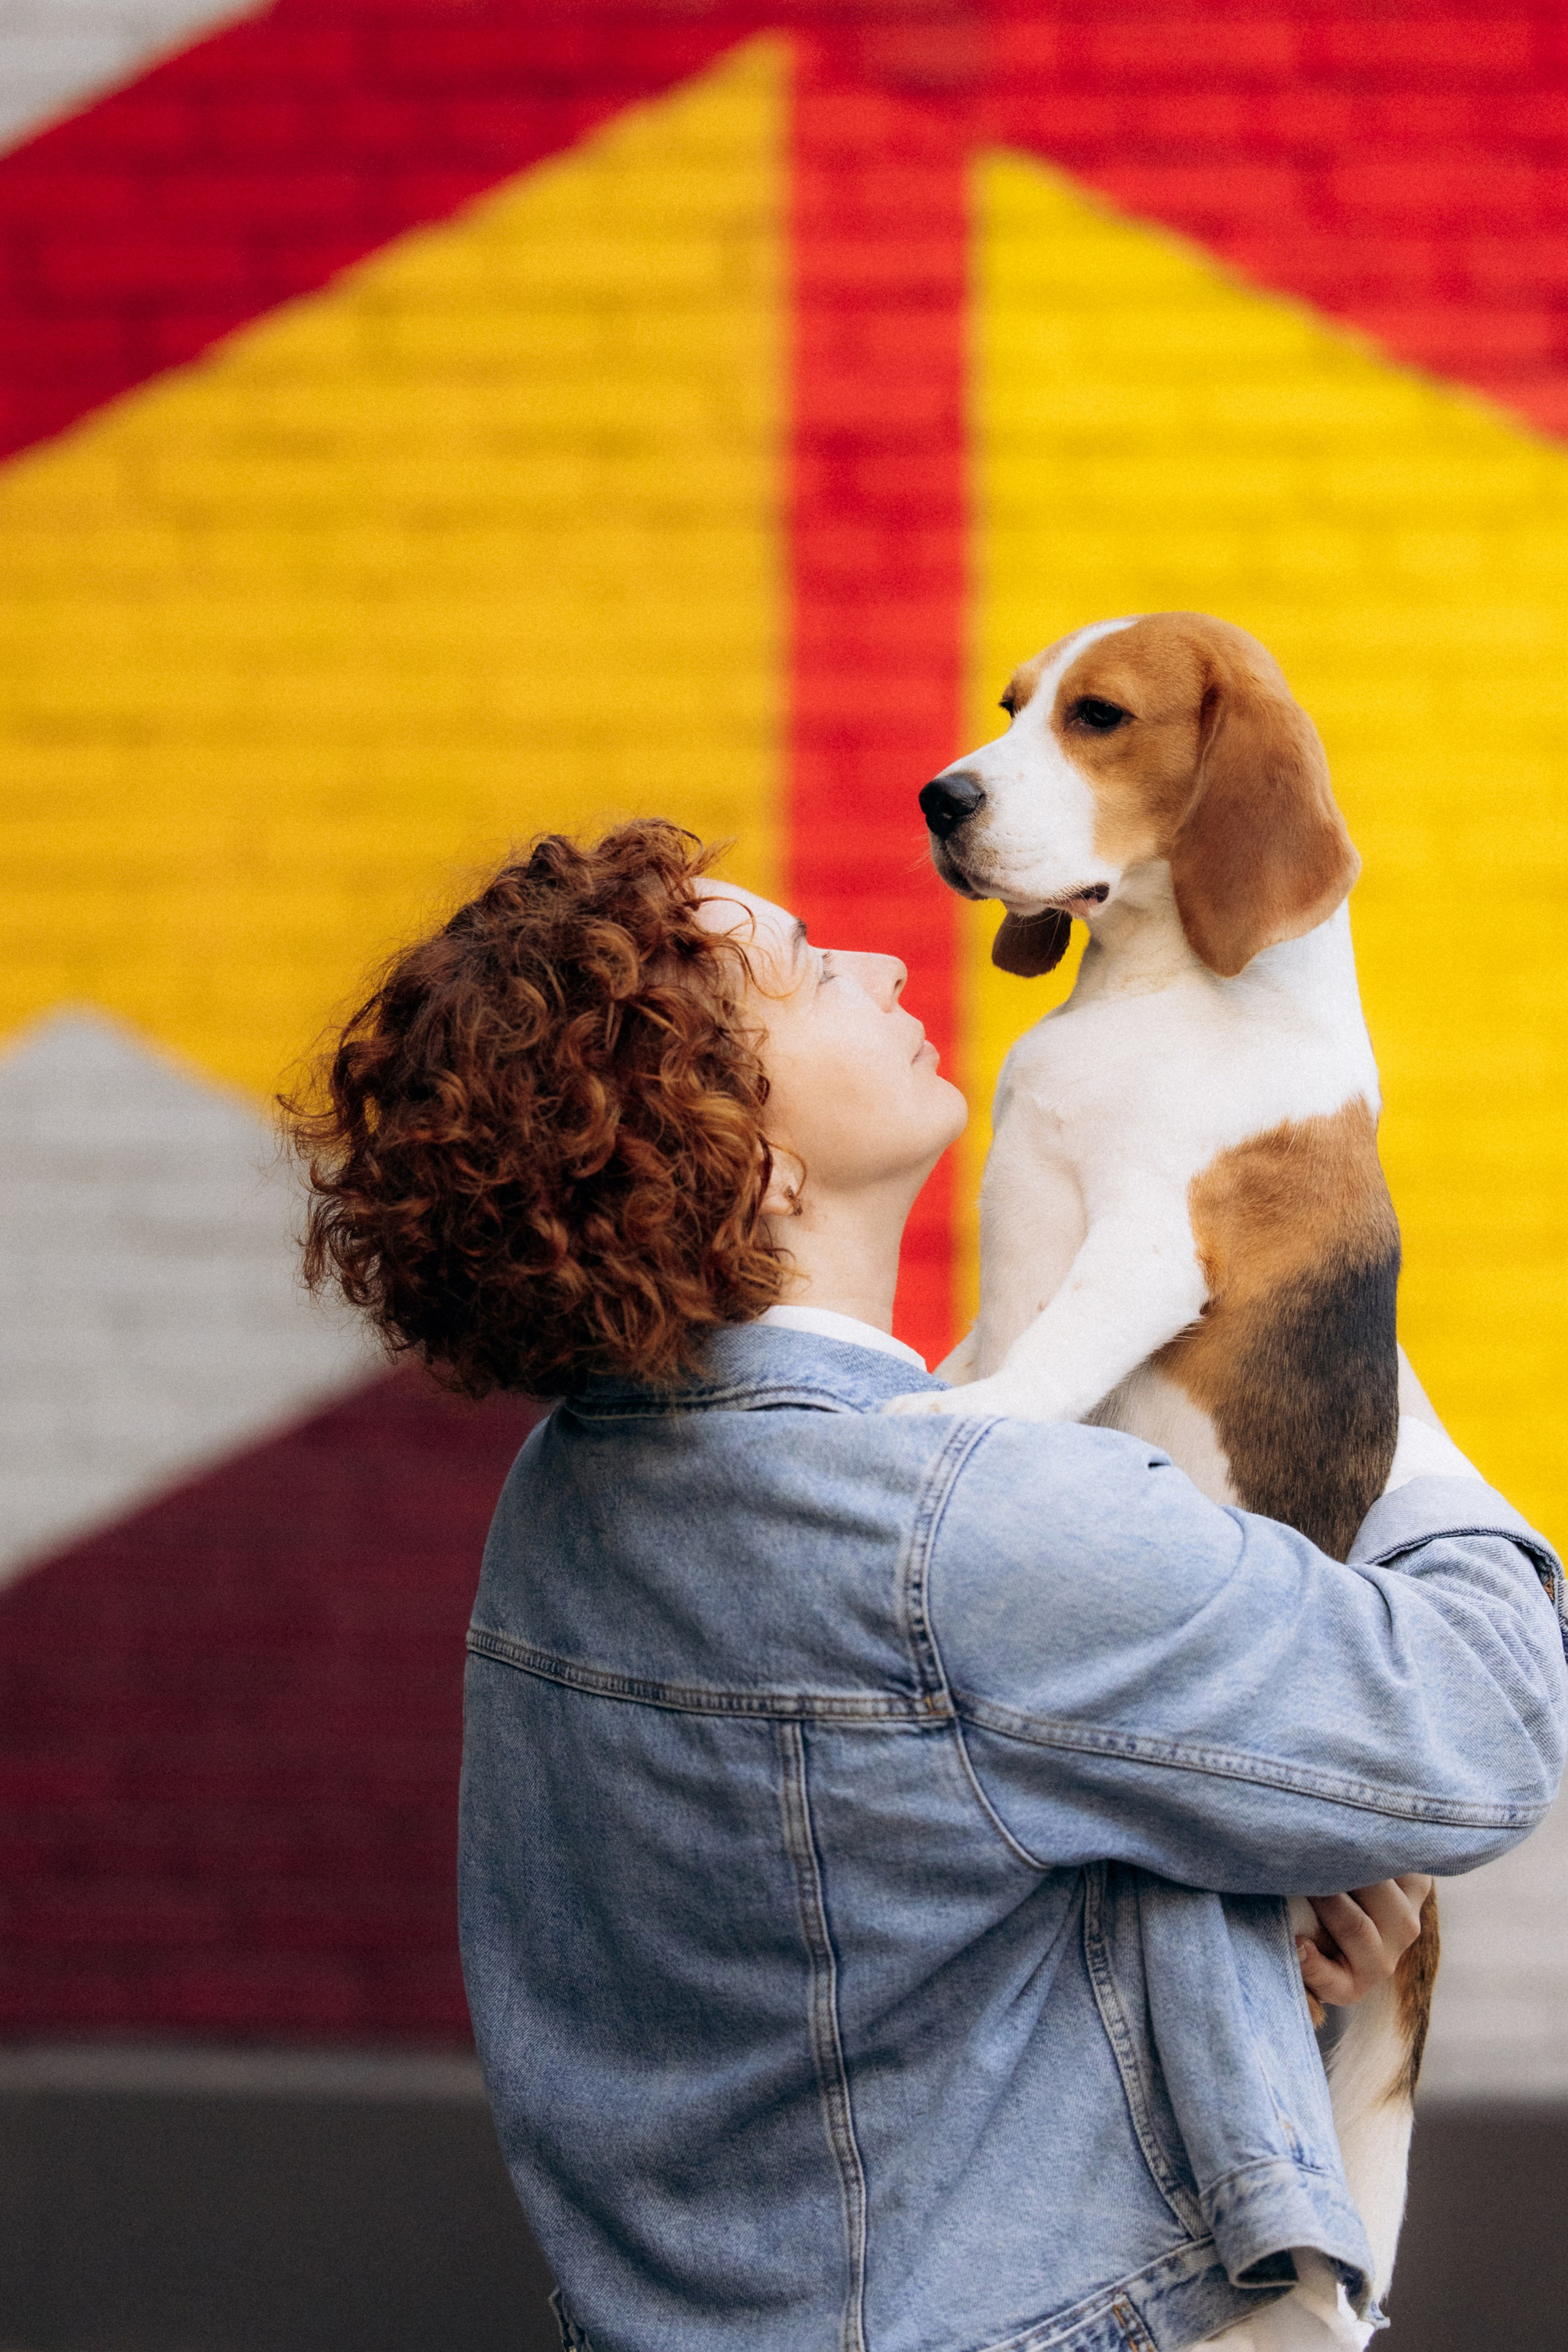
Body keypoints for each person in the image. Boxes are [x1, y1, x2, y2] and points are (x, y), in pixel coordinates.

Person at [295, 821, 1566, 2352]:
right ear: (738, 1154)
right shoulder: (952, 1533)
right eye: (804, 971)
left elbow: (856, 1965)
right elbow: (1486, 1723)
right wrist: (1357, 1362)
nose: (882, 958)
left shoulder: (566, 1496)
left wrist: (1230, 1967)